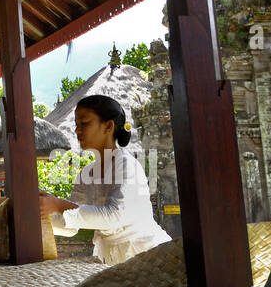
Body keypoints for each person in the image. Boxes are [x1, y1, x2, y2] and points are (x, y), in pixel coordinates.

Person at [37, 94, 171, 265]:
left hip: (147, 257)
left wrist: (58, 205)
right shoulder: (87, 173)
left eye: (84, 123)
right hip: (110, 260)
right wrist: (40, 217)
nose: (77, 131)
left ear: (108, 126)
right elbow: (71, 225)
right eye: (76, 125)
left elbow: (114, 216)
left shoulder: (126, 165)